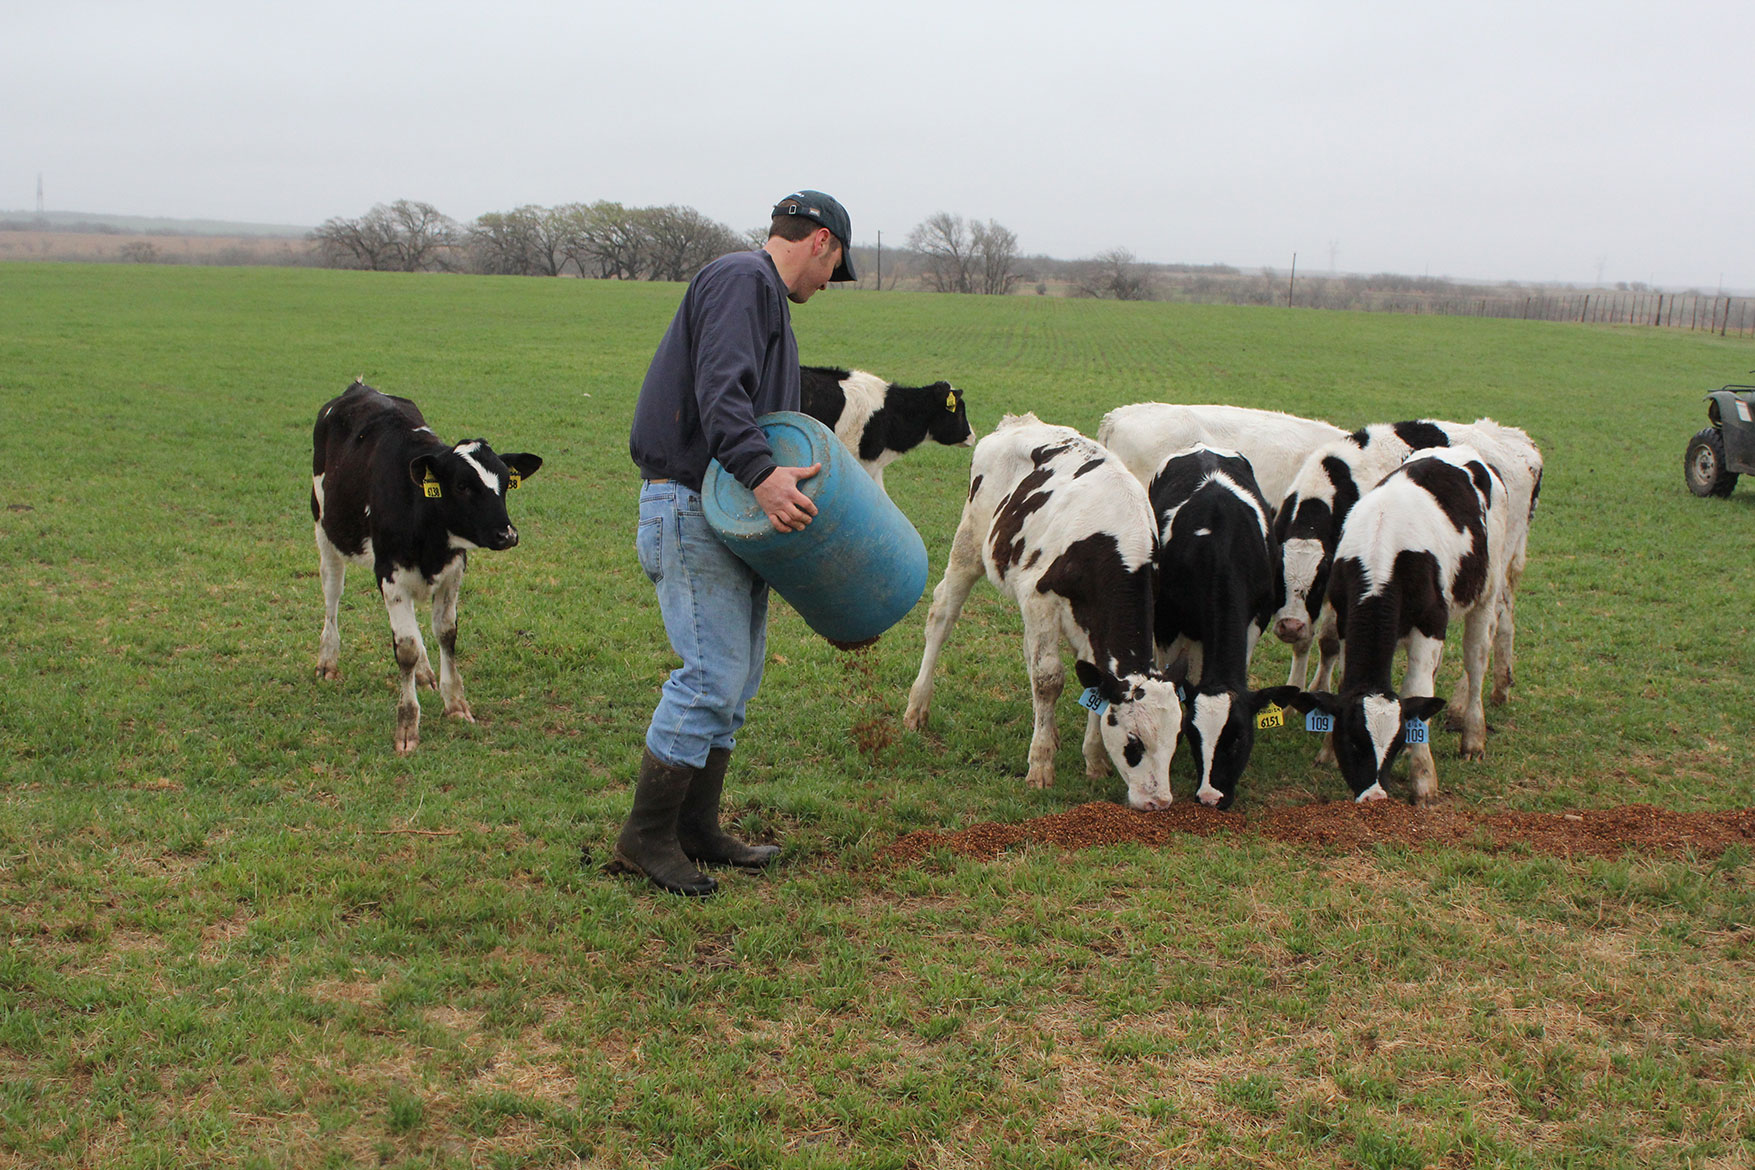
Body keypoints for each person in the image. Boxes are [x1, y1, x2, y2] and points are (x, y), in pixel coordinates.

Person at [615, 190, 857, 896]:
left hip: (724, 510)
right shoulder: (742, 280)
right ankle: (645, 837)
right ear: (822, 243)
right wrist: (762, 476)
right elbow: (721, 391)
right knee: (711, 675)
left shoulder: (761, 296)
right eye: (833, 270)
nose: (827, 286)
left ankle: (697, 829)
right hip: (692, 502)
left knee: (736, 681)